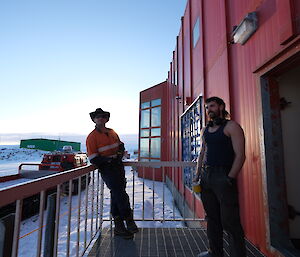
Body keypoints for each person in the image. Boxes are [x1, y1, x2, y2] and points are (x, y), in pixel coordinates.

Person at [194, 97, 246, 257]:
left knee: (230, 221)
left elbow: (240, 155)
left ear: (221, 107)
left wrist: (229, 178)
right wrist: (197, 176)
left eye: (212, 106)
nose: (209, 109)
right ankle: (215, 252)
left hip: (223, 175)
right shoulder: (205, 130)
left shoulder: (232, 126)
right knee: (212, 219)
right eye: (207, 107)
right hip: (206, 177)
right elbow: (202, 153)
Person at [86, 108, 138, 240]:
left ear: (106, 119)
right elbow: (93, 158)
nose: (101, 119)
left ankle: (119, 228)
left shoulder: (112, 132)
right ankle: (128, 220)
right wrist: (108, 160)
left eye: (103, 116)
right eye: (98, 117)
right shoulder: (92, 137)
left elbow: (120, 145)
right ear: (94, 119)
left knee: (117, 194)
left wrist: (119, 154)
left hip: (118, 166)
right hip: (107, 169)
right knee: (120, 193)